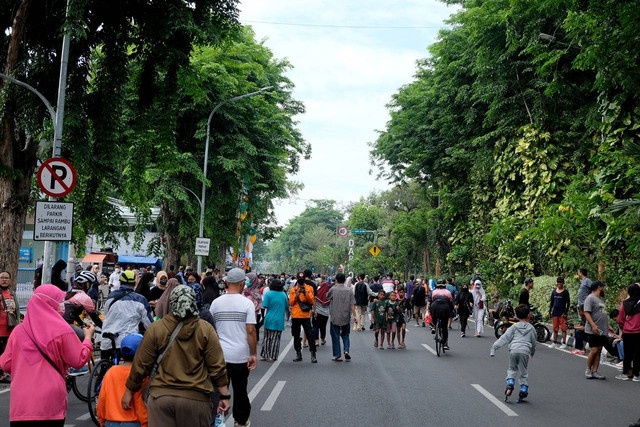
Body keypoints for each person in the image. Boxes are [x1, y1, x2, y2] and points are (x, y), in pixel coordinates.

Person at [124, 286, 230, 427]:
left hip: (161, 398)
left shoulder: (156, 328)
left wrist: (129, 391)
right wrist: (224, 396)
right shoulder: (206, 329)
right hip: (196, 399)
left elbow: (141, 364)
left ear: (172, 303)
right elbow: (217, 367)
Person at [0, 285, 95, 426]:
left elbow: (5, 364)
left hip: (21, 404)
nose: (62, 305)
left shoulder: (18, 332)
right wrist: (87, 339)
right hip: (50, 403)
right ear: (50, 303)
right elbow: (78, 359)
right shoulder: (63, 330)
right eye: (59, 301)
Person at [210, 268, 257, 426]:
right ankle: (241, 420)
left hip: (218, 356)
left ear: (226, 282)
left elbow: (210, 329)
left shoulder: (216, 303)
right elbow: (250, 330)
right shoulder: (247, 304)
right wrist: (253, 354)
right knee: (240, 389)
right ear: (243, 283)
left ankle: (215, 419)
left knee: (218, 389)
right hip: (239, 356)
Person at [97, 334, 148, 427]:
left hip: (110, 421)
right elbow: (140, 403)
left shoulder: (111, 371)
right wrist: (145, 423)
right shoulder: (141, 375)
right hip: (134, 422)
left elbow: (102, 398)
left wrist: (101, 420)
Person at [101, 270, 153, 359]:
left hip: (107, 339)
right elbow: (149, 324)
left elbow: (107, 312)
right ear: (135, 283)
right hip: (128, 342)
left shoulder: (111, 296)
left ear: (120, 282)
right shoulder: (140, 300)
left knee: (104, 368)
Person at [490, 304, 537, 402]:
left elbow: (504, 338)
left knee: (512, 369)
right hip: (525, 351)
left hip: (514, 350)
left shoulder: (513, 327)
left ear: (516, 315)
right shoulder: (531, 328)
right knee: (523, 371)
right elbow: (533, 342)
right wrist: (532, 352)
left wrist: (494, 348)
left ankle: (510, 384)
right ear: (528, 315)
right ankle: (523, 390)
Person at [289, 273, 317, 363]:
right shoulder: (293, 289)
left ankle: (313, 354)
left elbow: (311, 300)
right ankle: (298, 353)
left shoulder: (309, 288)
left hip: (305, 315)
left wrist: (305, 293)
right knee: (296, 335)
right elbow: (291, 303)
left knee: (310, 334)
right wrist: (296, 295)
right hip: (296, 315)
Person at [328, 273, 356, 361]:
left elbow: (327, 296)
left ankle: (338, 355)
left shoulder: (333, 289)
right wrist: (355, 315)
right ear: (345, 280)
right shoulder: (349, 290)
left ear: (336, 280)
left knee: (335, 335)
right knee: (345, 334)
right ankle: (346, 350)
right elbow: (352, 305)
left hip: (335, 316)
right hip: (346, 316)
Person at [584, 281, 608, 380]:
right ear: (599, 287)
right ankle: (588, 369)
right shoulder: (590, 298)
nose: (604, 289)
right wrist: (593, 325)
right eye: (603, 287)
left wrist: (608, 326)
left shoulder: (600, 300)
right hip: (592, 329)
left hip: (601, 330)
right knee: (594, 350)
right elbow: (586, 312)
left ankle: (595, 371)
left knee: (598, 350)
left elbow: (602, 314)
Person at [616, 282, 640, 381]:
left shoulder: (624, 304)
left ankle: (625, 373)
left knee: (627, 353)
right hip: (638, 332)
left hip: (628, 332)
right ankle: (636, 375)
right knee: (637, 354)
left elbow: (620, 319)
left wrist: (624, 327)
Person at [261, 279, 287, 362]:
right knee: (275, 339)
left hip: (269, 319)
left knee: (267, 338)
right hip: (279, 320)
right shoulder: (283, 295)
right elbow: (287, 306)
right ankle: (273, 356)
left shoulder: (268, 294)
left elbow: (264, 305)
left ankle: (264, 355)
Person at [0, 270, 19, 384]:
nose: (4, 280)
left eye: (6, 277)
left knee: (5, 352)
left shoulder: (12, 293)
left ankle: (2, 373)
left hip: (9, 328)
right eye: (2, 277)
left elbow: (16, 311)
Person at [573, 268, 593, 355]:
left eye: (578, 272)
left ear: (581, 273)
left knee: (584, 326)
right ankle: (581, 347)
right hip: (581, 306)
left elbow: (594, 288)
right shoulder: (582, 281)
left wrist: (589, 295)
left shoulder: (587, 280)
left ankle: (581, 348)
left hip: (585, 305)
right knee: (582, 323)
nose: (578, 274)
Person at [429, 279, 453, 350]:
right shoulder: (448, 292)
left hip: (435, 306)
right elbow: (450, 302)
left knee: (434, 317)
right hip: (445, 307)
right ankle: (445, 342)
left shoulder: (434, 292)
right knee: (444, 327)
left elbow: (432, 300)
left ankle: (434, 326)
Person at [548, 276, 571, 349]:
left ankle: (564, 343)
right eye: (558, 282)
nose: (559, 283)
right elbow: (552, 302)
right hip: (555, 312)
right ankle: (554, 342)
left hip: (562, 313)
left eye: (561, 282)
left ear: (563, 283)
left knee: (563, 329)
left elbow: (568, 303)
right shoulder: (554, 291)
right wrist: (550, 311)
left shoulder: (565, 292)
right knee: (555, 328)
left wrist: (566, 312)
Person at [244, 272, 263, 342]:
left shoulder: (256, 292)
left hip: (253, 315)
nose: (246, 281)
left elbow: (257, 305)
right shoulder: (245, 290)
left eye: (248, 279)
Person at [313, 279, 330, 346]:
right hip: (325, 314)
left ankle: (316, 341)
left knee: (315, 327)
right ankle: (323, 339)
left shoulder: (317, 293)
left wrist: (314, 310)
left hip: (317, 312)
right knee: (323, 327)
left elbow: (314, 302)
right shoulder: (328, 295)